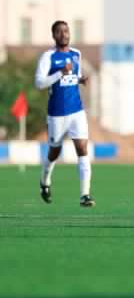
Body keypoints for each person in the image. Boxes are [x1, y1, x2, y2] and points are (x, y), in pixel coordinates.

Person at [34, 20, 96, 207]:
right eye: (59, 32)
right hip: (57, 113)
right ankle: (45, 182)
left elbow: (71, 77)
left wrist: (80, 80)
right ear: (53, 36)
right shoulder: (48, 57)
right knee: (54, 152)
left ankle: (85, 195)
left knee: (82, 149)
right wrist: (60, 72)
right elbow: (39, 83)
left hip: (76, 110)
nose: (64, 34)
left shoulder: (76, 54)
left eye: (66, 31)